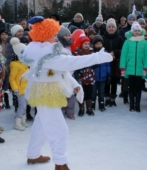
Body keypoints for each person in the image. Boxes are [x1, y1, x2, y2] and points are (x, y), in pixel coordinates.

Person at [21, 16, 112, 169]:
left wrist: (75, 84)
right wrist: (98, 57)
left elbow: (62, 71)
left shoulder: (44, 50)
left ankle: (33, 154)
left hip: (47, 89)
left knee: (41, 125)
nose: (57, 37)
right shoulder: (45, 54)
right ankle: (60, 163)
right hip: (46, 93)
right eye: (54, 34)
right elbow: (71, 63)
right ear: (44, 35)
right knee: (60, 129)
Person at [120, 22, 147, 112]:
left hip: (140, 69)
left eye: (138, 30)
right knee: (131, 87)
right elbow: (124, 55)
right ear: (132, 31)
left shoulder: (144, 42)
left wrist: (145, 67)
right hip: (130, 69)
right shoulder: (127, 41)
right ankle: (131, 105)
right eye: (135, 30)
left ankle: (137, 105)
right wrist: (123, 67)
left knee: (138, 88)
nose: (137, 32)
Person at [9, 38, 29, 131]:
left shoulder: (25, 63)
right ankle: (17, 122)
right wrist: (15, 89)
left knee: (24, 105)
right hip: (20, 89)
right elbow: (12, 78)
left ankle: (23, 120)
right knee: (22, 106)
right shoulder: (15, 64)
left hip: (26, 88)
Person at [102, 19, 124, 106]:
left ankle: (112, 99)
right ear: (107, 28)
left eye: (113, 27)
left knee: (114, 81)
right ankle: (106, 98)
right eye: (109, 27)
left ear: (115, 28)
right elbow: (100, 48)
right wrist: (108, 54)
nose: (111, 28)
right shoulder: (103, 37)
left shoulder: (119, 38)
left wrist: (114, 53)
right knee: (106, 81)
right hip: (105, 63)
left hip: (115, 63)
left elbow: (122, 50)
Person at [58, 26, 76, 120]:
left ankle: (70, 112)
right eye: (66, 35)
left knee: (71, 95)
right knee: (62, 94)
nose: (68, 37)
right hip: (61, 75)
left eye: (69, 35)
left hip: (70, 73)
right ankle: (61, 111)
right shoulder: (58, 47)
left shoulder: (69, 45)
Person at [75, 34, 95, 116]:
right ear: (81, 44)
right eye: (85, 44)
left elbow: (96, 63)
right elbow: (75, 65)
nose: (87, 45)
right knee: (81, 92)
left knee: (89, 92)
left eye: (88, 44)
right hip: (81, 76)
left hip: (90, 76)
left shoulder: (92, 52)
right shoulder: (77, 53)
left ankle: (89, 108)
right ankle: (81, 108)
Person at [92, 35, 111, 111]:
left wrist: (108, 74)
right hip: (93, 77)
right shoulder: (92, 54)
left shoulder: (105, 54)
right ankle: (92, 104)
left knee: (101, 92)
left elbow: (107, 65)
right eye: (97, 43)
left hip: (102, 77)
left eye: (100, 43)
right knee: (93, 92)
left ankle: (101, 104)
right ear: (94, 45)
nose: (99, 45)